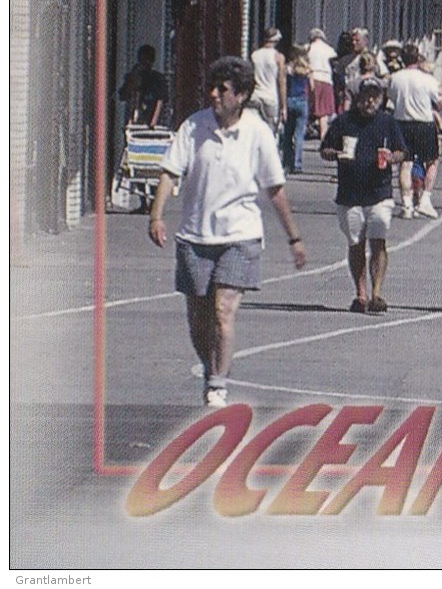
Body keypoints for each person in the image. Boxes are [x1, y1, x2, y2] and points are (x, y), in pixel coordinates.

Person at [145, 55, 307, 407]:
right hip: (194, 236)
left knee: (223, 311)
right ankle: (211, 367)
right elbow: (171, 173)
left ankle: (218, 382)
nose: (215, 94)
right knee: (198, 316)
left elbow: (274, 189)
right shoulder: (193, 127)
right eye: (212, 87)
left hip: (240, 236)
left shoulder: (257, 132)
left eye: (224, 89)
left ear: (242, 95)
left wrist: (293, 237)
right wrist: (156, 216)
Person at [319, 77, 405, 314]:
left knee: (378, 240)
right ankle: (361, 293)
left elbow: (401, 151)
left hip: (380, 192)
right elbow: (324, 149)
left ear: (380, 98)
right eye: (365, 96)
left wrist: (391, 158)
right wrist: (335, 154)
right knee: (356, 243)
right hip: (350, 194)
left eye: (374, 96)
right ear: (357, 97)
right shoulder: (344, 121)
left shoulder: (387, 122)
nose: (369, 101)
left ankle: (377, 293)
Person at [387, 46, 442, 219]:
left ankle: (406, 204)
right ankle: (425, 200)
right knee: (432, 161)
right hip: (424, 123)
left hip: (401, 123)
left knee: (405, 164)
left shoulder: (394, 78)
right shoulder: (427, 79)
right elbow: (440, 102)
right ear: (418, 59)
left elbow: (390, 97)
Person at [306, 28, 339, 143]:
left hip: (312, 78)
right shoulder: (329, 49)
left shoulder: (308, 48)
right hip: (326, 79)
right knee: (323, 112)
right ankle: (323, 136)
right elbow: (335, 64)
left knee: (309, 107)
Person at [249, 27, 286, 129]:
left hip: (256, 95)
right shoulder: (278, 57)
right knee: (270, 132)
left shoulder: (254, 55)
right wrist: (284, 106)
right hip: (270, 97)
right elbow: (281, 82)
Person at [282, 45, 312, 174]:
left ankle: (287, 163)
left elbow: (283, 85)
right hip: (302, 100)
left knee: (288, 134)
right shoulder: (307, 69)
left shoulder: (287, 68)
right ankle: (297, 163)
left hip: (289, 100)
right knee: (299, 135)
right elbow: (312, 87)